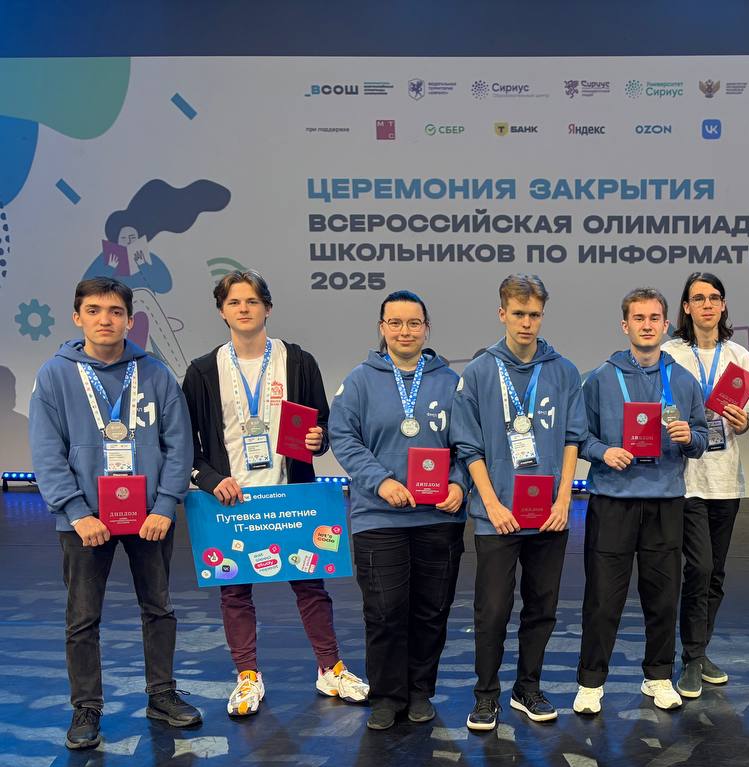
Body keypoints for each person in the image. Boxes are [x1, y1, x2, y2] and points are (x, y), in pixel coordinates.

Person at [183, 270, 369, 718]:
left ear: (268, 307)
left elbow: (321, 425)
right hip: (231, 501)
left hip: (292, 498)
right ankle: (247, 676)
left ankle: (330, 668)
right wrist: (211, 480)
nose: (243, 309)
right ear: (221, 311)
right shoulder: (203, 371)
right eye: (233, 302)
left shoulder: (298, 361)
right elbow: (186, 443)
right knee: (234, 593)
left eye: (252, 301)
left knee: (311, 586)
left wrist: (318, 440)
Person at [29, 277, 200, 749]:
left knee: (159, 608)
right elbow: (46, 451)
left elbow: (178, 444)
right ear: (77, 317)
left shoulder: (156, 374)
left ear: (129, 319)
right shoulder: (55, 375)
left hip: (150, 517)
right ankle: (86, 707)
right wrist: (76, 511)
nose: (105, 319)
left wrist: (164, 505)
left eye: (115, 311)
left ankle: (162, 695)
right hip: (85, 520)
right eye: (94, 310)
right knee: (83, 618)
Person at [452, 275, 587, 732]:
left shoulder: (563, 371)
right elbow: (468, 447)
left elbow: (572, 438)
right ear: (502, 314)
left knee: (541, 608)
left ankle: (527, 687)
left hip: (549, 516)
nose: (526, 322)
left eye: (534, 314)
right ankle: (486, 695)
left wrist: (564, 499)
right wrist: (491, 504)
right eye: (518, 313)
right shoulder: (479, 372)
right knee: (492, 611)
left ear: (542, 316)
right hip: (498, 516)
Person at [329, 290, 467, 730]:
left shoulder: (451, 382)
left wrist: (459, 483)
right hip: (378, 516)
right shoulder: (359, 381)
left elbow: (468, 442)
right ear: (381, 327)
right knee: (385, 611)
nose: (404, 331)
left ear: (426, 328)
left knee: (431, 609)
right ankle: (388, 695)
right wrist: (380, 481)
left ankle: (420, 691)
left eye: (413, 323)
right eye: (395, 323)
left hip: (438, 516)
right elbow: (343, 437)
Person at [574, 287, 708, 714]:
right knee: (602, 598)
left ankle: (658, 676)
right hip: (612, 500)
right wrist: (603, 452)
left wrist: (689, 437)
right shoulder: (600, 378)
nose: (647, 325)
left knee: (662, 597)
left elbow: (702, 439)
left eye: (654, 318)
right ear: (625, 325)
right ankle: (591, 683)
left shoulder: (683, 380)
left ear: (665, 325)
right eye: (639, 318)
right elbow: (579, 437)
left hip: (665, 502)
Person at [661, 272, 749, 698]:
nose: (707, 305)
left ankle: (698, 653)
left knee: (715, 572)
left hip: (726, 479)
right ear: (686, 307)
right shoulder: (670, 354)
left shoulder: (739, 356)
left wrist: (744, 422)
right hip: (685, 479)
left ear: (724, 304)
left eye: (714, 297)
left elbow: (748, 419)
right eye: (698, 298)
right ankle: (692, 656)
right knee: (697, 568)